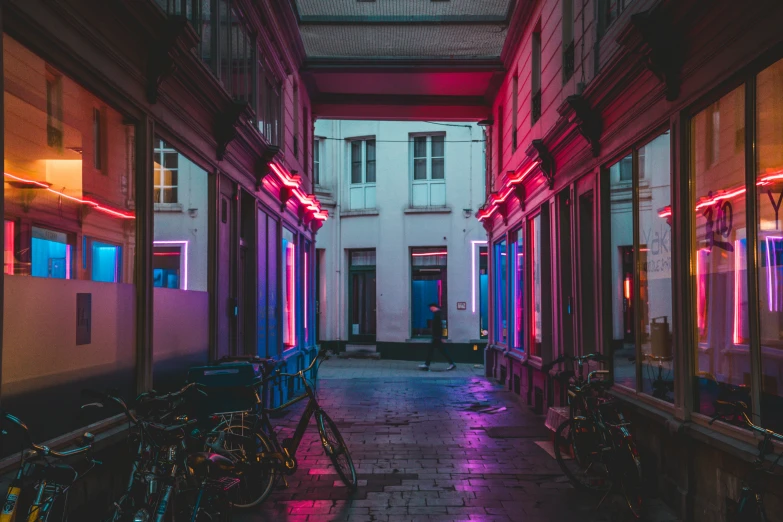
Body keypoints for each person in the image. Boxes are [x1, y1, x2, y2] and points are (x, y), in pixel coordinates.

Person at [419, 303, 456, 371]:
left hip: (436, 337)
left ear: (434, 307)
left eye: (431, 308)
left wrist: (440, 336)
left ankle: (451, 363)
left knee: (438, 351)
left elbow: (439, 326)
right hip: (436, 337)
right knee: (436, 350)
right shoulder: (438, 314)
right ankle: (427, 364)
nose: (430, 309)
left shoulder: (437, 314)